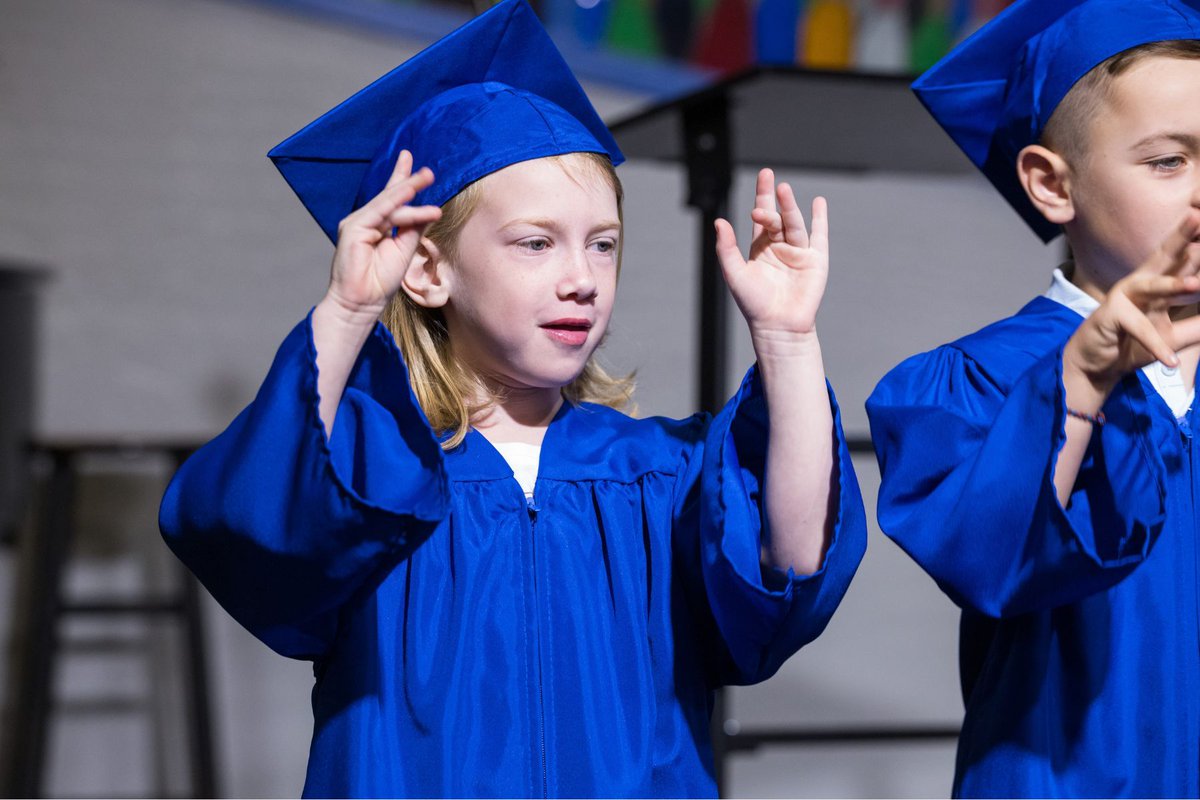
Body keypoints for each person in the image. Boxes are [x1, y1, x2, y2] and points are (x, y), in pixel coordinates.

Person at [159, 1, 867, 796]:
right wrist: (349, 311)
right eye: (536, 242)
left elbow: (793, 559)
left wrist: (786, 339)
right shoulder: (369, 477)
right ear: (427, 271)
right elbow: (257, 526)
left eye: (603, 244)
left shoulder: (656, 473)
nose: (581, 277)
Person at [865, 0, 1200, 795]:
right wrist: (1079, 386)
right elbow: (991, 563)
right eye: (1168, 162)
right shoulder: (974, 383)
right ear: (1052, 184)